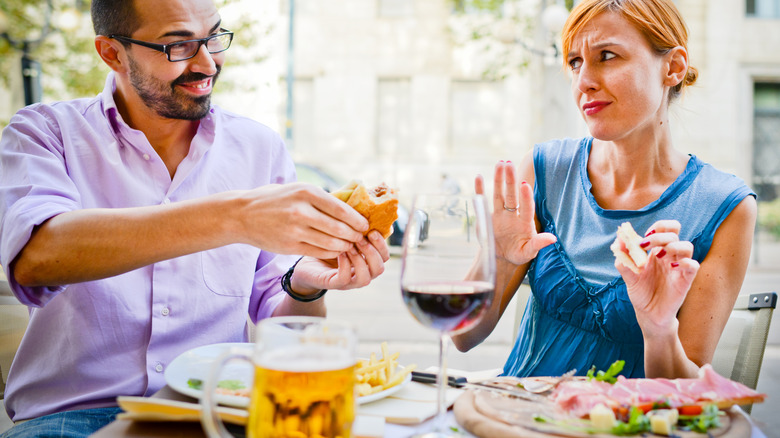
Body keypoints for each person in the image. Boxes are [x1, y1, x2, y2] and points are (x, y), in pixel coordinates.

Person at [0, 0, 390, 435]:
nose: (208, 63)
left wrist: (304, 286)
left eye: (213, 38)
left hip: (215, 412)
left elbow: (283, 331)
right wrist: (234, 217)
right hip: (69, 420)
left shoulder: (259, 148)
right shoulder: (42, 133)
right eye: (179, 46)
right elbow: (38, 257)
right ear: (111, 53)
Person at [453, 0, 756, 381]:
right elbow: (463, 336)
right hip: (515, 417)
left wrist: (659, 329)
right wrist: (498, 259)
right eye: (576, 61)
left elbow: (686, 394)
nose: (583, 82)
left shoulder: (725, 207)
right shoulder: (544, 171)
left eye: (607, 56)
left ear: (673, 67)